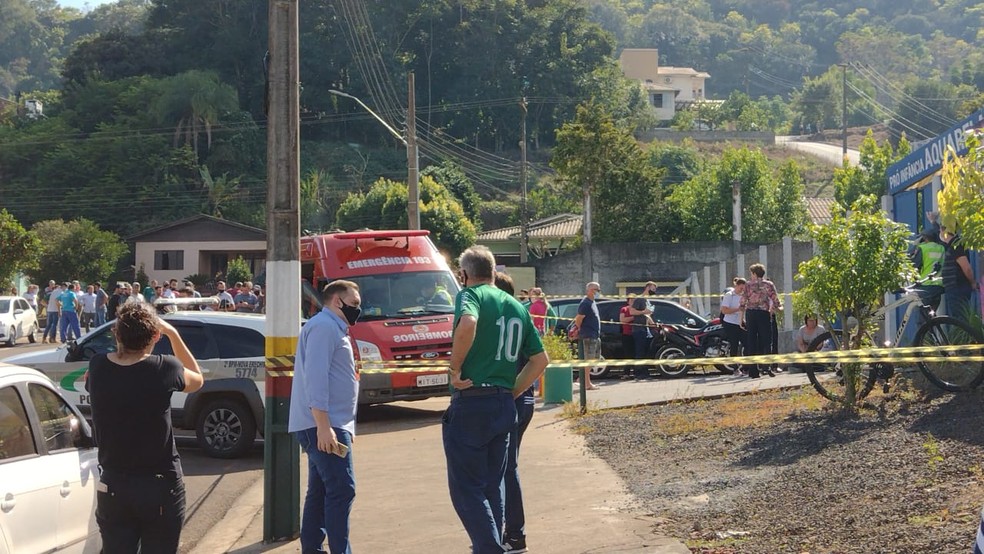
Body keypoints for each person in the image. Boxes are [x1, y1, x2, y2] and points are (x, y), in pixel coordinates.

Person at [445, 245, 547, 554]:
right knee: (493, 485)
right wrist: (513, 390)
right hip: (504, 403)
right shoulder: (516, 305)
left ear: (464, 274)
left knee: (466, 488)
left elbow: (468, 324)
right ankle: (491, 544)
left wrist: (455, 367)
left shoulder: (470, 296)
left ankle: (490, 548)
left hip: (472, 402)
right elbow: (540, 360)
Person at [85, 302, 204, 553]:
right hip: (159, 485)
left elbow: (111, 367)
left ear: (117, 334)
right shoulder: (166, 367)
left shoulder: (97, 366)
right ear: (155, 336)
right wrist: (173, 333)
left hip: (114, 483)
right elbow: (197, 378)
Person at [288, 280, 362, 554]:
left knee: (320, 493)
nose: (358, 309)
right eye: (354, 304)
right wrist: (324, 427)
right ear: (336, 301)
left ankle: (314, 549)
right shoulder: (324, 328)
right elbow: (316, 381)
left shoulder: (331, 328)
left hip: (328, 423)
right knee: (343, 490)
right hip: (324, 424)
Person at [492, 272, 537, 553]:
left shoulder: (498, 320)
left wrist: (512, 393)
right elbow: (539, 358)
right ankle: (507, 533)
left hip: (511, 401)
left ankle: (514, 535)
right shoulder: (522, 315)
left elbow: (539, 360)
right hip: (523, 402)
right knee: (507, 468)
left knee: (505, 470)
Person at [740, 264, 781, 379]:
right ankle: (766, 367)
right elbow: (775, 298)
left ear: (754, 273)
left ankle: (753, 370)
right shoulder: (768, 284)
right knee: (766, 340)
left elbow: (743, 300)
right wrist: (778, 307)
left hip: (751, 313)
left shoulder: (748, 285)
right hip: (763, 313)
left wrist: (741, 316)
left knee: (752, 340)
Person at [940, 225, 978, 322]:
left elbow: (967, 268)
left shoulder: (956, 245)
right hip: (955, 288)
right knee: (958, 318)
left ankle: (966, 337)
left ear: (944, 232)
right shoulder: (952, 245)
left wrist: (972, 282)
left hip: (957, 287)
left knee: (960, 319)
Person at [572, 282, 602, 389]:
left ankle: (583, 380)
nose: (598, 292)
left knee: (593, 359)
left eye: (599, 290)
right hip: (588, 335)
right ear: (589, 290)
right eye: (596, 290)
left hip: (594, 335)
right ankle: (586, 384)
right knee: (588, 360)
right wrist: (580, 328)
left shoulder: (592, 302)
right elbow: (579, 319)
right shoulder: (585, 303)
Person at [628, 281, 658, 381]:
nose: (654, 291)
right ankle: (638, 373)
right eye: (653, 289)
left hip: (646, 329)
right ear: (647, 287)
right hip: (639, 329)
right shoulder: (640, 299)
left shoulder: (647, 300)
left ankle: (645, 372)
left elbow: (647, 316)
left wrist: (653, 325)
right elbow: (632, 311)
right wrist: (643, 312)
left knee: (645, 352)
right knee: (640, 352)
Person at [720, 277, 746, 377]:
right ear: (736, 286)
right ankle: (735, 369)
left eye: (743, 289)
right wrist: (737, 309)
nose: (742, 290)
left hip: (740, 322)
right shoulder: (729, 295)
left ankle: (745, 367)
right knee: (734, 345)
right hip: (730, 323)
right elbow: (724, 311)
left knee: (748, 343)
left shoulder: (743, 296)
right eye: (740, 288)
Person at [619, 295, 637, 379]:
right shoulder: (624, 309)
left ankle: (636, 372)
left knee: (636, 354)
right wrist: (634, 317)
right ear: (628, 301)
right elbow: (622, 320)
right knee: (627, 354)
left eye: (634, 300)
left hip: (636, 334)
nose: (633, 301)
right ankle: (626, 373)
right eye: (631, 300)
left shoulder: (638, 310)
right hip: (627, 334)